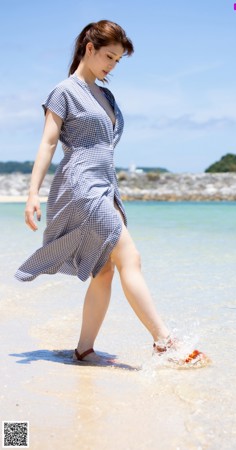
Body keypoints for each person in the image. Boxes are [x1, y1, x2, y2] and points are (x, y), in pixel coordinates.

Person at [15, 20, 207, 366]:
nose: (111, 66)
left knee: (104, 269)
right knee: (129, 257)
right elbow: (47, 143)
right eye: (109, 56)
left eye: (117, 61)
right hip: (81, 186)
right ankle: (164, 341)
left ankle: (84, 350)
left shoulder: (105, 95)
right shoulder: (64, 91)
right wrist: (32, 193)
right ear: (89, 48)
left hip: (106, 186)